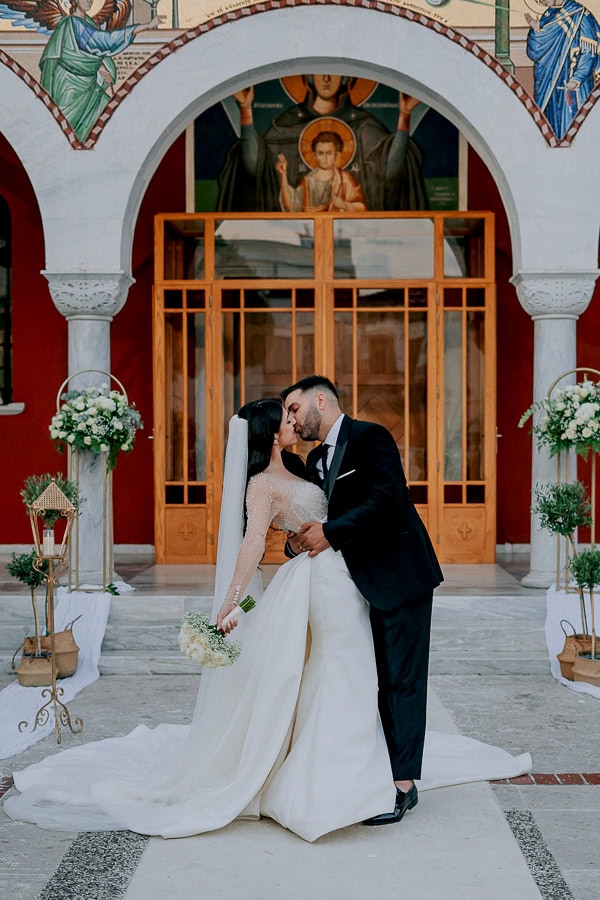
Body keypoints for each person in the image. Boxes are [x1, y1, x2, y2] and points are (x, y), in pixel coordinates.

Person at [3, 400, 531, 840]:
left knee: (345, 672)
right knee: (339, 669)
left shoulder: (307, 468)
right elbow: (254, 543)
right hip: (320, 584)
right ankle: (340, 777)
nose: (294, 421)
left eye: (295, 413)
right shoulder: (261, 484)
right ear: (269, 435)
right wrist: (230, 602)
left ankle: (354, 765)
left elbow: (335, 517)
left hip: (344, 575)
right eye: (284, 418)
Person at [283, 375, 443, 825]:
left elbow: (389, 498)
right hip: (349, 585)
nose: (292, 419)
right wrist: (296, 543)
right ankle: (372, 767)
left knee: (401, 679)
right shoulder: (313, 458)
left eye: (294, 409)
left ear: (320, 399)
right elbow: (310, 515)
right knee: (366, 679)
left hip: (399, 574)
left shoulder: (371, 436)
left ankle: (403, 785)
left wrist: (330, 533)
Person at [217, 74, 428, 212]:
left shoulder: (364, 126)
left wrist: (404, 115)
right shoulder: (286, 125)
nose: (326, 79)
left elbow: (389, 173)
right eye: (319, 73)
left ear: (345, 77)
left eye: (333, 73)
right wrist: (246, 110)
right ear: (308, 77)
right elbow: (256, 168)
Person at [39, 0, 159, 142]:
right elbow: (103, 41)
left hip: (89, 85)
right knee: (65, 132)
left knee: (111, 115)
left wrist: (102, 69)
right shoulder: (72, 23)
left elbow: (89, 53)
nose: (89, 2)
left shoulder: (87, 23)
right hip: (70, 87)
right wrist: (144, 27)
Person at [526, 0, 600, 140]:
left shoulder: (580, 15)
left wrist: (577, 78)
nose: (542, 2)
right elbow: (535, 53)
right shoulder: (548, 15)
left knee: (573, 128)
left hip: (571, 85)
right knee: (550, 127)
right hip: (548, 85)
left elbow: (589, 52)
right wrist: (535, 32)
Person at [276, 131, 367, 212]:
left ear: (337, 155)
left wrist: (344, 205)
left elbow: (362, 207)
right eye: (321, 153)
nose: (325, 158)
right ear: (315, 156)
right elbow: (291, 206)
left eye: (329, 153)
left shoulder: (345, 179)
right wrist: (283, 174)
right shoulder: (308, 182)